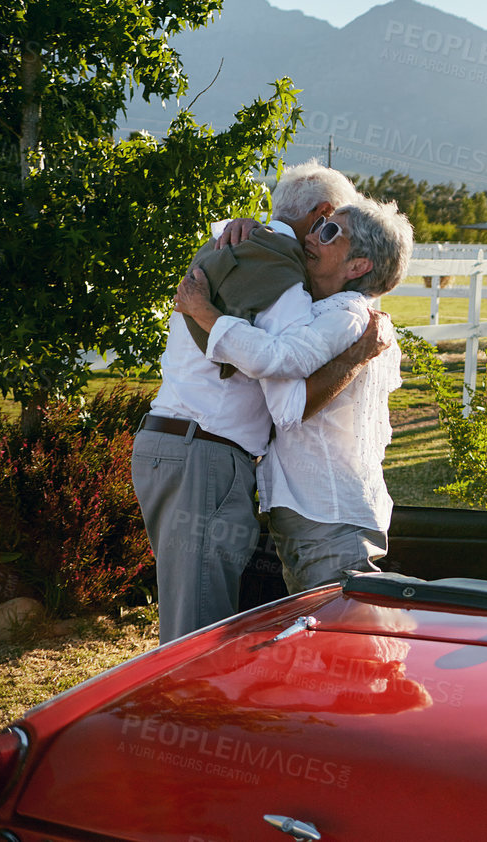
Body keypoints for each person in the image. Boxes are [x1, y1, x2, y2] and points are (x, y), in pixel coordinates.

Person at [132, 162, 383, 642]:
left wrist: (234, 226)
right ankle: (189, 718)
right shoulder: (283, 279)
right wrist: (355, 354)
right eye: (333, 227)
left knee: (185, 618)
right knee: (197, 637)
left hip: (164, 444)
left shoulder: (232, 246)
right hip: (206, 454)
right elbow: (283, 379)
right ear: (324, 214)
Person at [174, 197, 414, 593]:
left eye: (331, 231)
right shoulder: (317, 310)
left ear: (358, 266)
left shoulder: (347, 316)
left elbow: (281, 376)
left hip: (329, 518)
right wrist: (251, 227)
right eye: (319, 224)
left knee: (339, 647)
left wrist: (205, 313)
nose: (316, 235)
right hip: (312, 516)